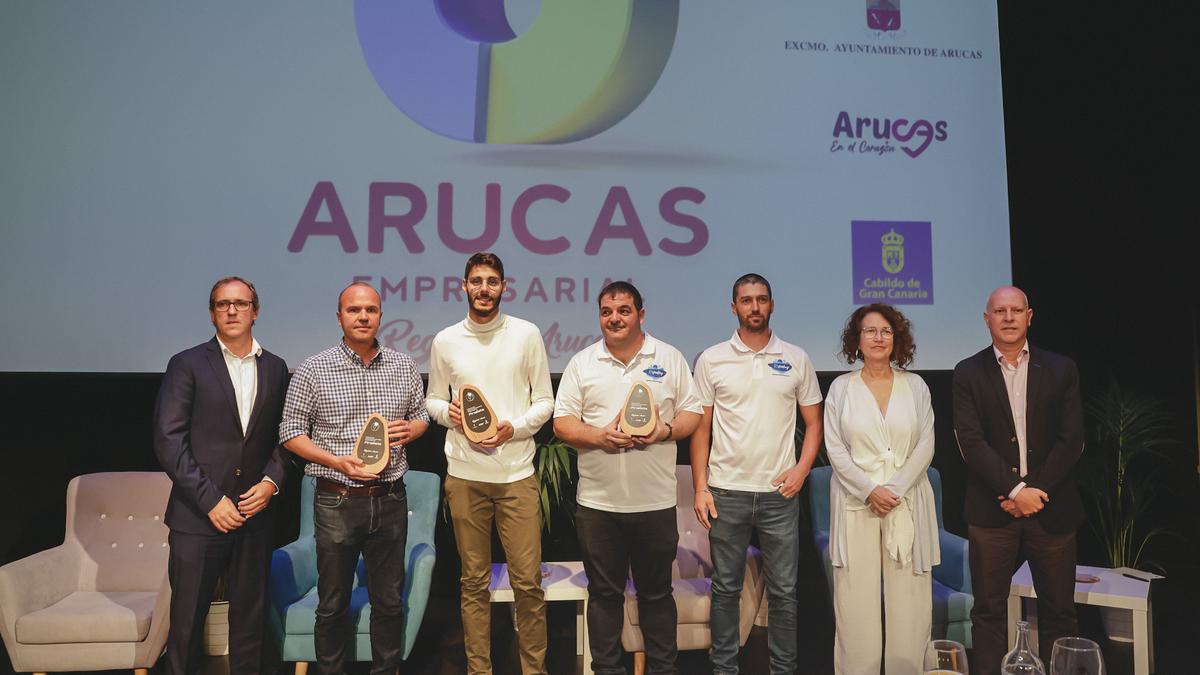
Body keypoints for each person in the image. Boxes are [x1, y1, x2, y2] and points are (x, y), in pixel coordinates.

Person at [279, 282, 429, 675]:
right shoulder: (314, 368)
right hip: (336, 498)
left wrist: (413, 430)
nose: (363, 317)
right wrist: (335, 461)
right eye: (354, 310)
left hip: (391, 497)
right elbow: (291, 432)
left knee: (389, 602)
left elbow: (421, 416)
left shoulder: (404, 365)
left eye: (371, 310)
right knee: (331, 604)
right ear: (339, 316)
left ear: (381, 315)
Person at [553, 281, 702, 675]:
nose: (614, 318)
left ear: (641, 314)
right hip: (598, 505)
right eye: (606, 311)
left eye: (623, 310)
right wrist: (599, 436)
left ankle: (663, 670)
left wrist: (664, 431)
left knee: (656, 596)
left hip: (655, 504)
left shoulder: (669, 358)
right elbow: (563, 423)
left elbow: (692, 414)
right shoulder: (582, 363)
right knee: (604, 596)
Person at [153, 276, 289, 675]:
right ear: (212, 312)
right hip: (198, 517)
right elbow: (168, 440)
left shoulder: (277, 367)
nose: (232, 310)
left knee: (250, 625)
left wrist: (271, 482)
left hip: (254, 515)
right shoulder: (187, 364)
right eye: (223, 304)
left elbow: (286, 436)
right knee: (186, 626)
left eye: (241, 303)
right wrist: (210, 499)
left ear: (255, 311)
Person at [426, 252, 554, 675]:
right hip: (465, 477)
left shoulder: (526, 334)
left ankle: (533, 670)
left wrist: (511, 429)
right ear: (463, 286)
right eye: (476, 281)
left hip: (517, 474)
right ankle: (479, 671)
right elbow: (434, 400)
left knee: (528, 585)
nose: (484, 288)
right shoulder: (446, 340)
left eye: (492, 281)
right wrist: (451, 416)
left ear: (504, 287)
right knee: (473, 584)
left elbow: (544, 402)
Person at [690, 273, 823, 675]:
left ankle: (784, 670)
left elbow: (814, 424)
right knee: (726, 590)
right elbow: (701, 428)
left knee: (784, 593)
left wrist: (802, 470)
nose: (754, 307)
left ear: (772, 304)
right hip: (726, 491)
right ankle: (725, 670)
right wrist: (700, 486)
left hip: (778, 494)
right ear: (734, 307)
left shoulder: (796, 358)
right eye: (746, 300)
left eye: (761, 299)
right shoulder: (712, 359)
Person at [953, 285, 1084, 672]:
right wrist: (1014, 490)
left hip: (1053, 507)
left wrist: (1033, 493)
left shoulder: (1062, 369)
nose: (1008, 318)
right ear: (986, 319)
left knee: (1060, 612)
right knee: (989, 613)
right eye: (999, 311)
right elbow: (971, 443)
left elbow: (1071, 438)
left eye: (1016, 310)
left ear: (1029, 316)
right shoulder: (967, 372)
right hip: (992, 511)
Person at [824, 303, 939, 674]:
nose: (878, 337)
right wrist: (870, 490)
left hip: (906, 503)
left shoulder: (916, 386)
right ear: (857, 340)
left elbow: (926, 444)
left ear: (897, 338)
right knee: (855, 603)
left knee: (910, 604)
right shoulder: (842, 389)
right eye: (870, 331)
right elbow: (835, 449)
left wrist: (895, 488)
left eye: (886, 331)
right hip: (857, 504)